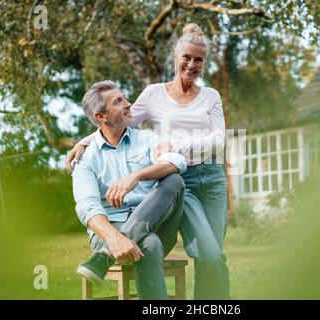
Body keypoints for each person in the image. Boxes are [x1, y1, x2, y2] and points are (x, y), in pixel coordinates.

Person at [67, 23, 230, 299]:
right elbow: (116, 120)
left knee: (213, 257)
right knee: (208, 251)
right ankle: (110, 250)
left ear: (204, 62)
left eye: (199, 59)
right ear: (175, 58)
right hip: (179, 180)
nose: (192, 64)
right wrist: (86, 141)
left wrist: (171, 146)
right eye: (186, 57)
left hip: (212, 178)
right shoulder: (154, 94)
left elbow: (219, 141)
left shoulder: (211, 96)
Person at [72, 80, 187, 300]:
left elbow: (177, 161)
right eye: (118, 101)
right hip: (108, 233)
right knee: (149, 244)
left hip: (159, 225)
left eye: (124, 98)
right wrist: (114, 238)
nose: (128, 103)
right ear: (101, 117)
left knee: (173, 180)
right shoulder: (85, 159)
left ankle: (104, 257)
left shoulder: (147, 139)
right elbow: (87, 207)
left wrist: (136, 176)